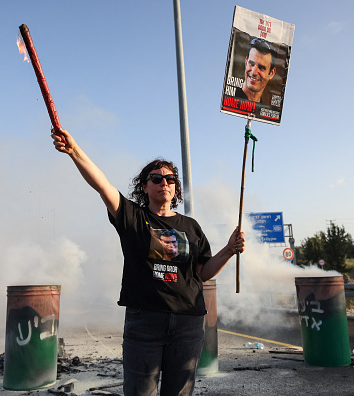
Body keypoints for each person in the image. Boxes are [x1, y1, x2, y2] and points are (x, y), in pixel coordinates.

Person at [51, 128, 245, 396]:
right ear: (144, 186)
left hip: (188, 322)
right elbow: (102, 185)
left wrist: (229, 249)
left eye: (170, 178)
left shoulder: (191, 226)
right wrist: (74, 151)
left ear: (176, 186)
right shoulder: (131, 216)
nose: (164, 182)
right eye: (156, 178)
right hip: (145, 322)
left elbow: (202, 272)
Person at [235, 37, 278, 103]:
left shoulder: (263, 111)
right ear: (246, 62)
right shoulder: (229, 97)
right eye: (251, 64)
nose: (254, 72)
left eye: (261, 68)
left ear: (271, 73)